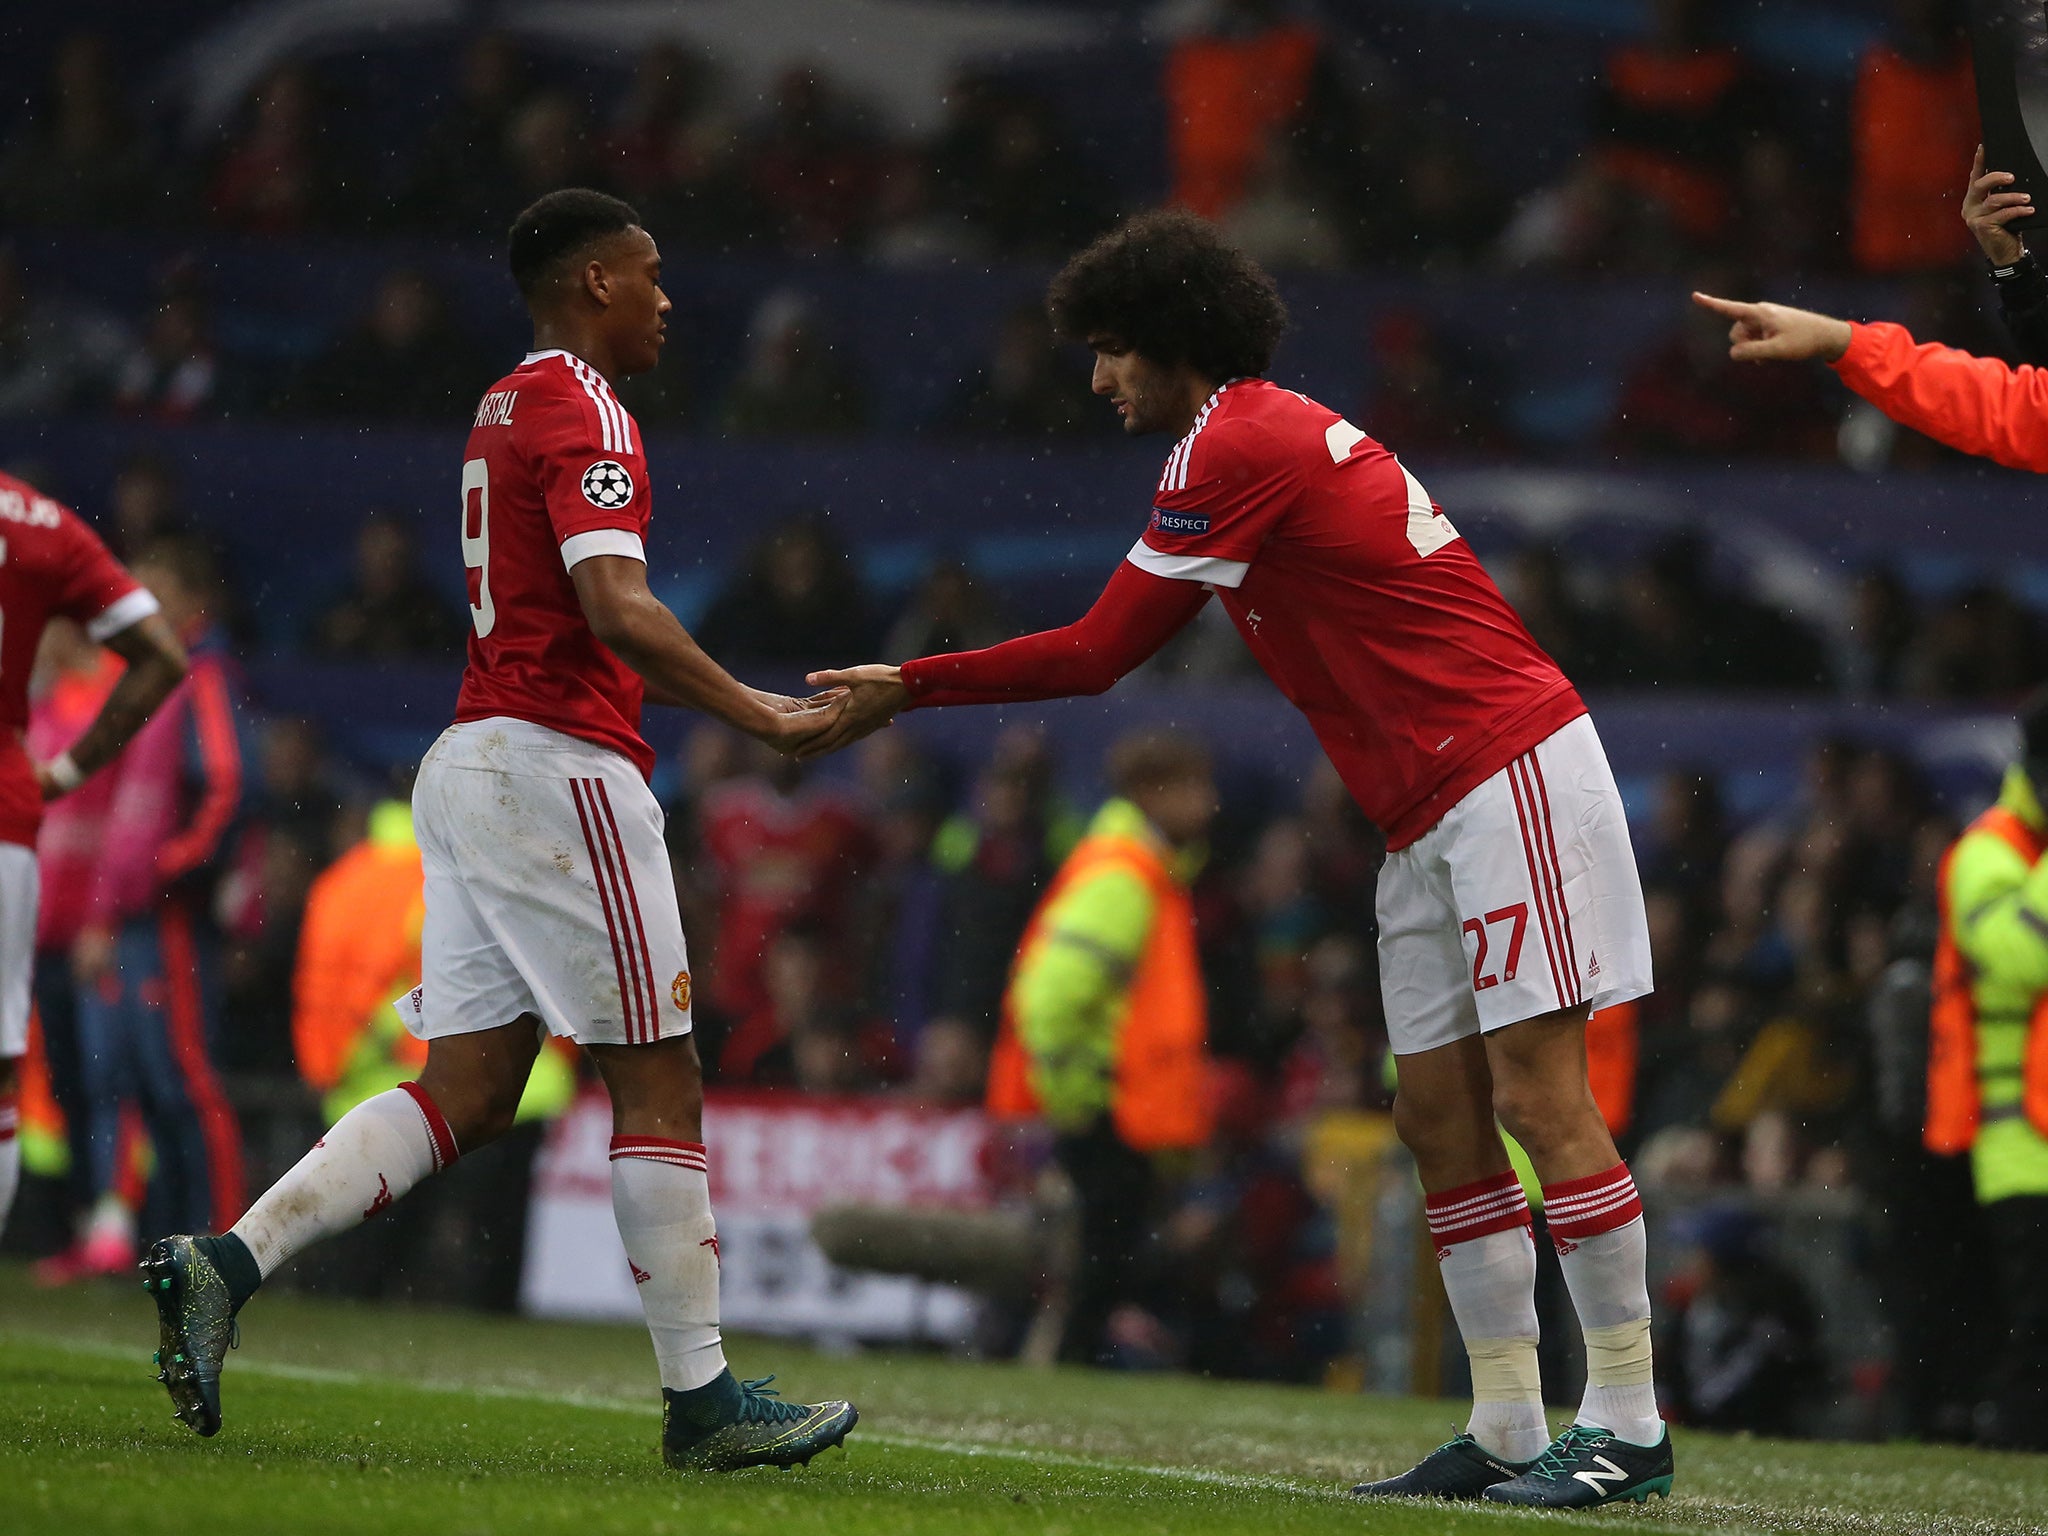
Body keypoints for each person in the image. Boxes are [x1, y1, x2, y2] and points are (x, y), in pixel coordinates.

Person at [805, 209, 1667, 1508]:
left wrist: (909, 685)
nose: (1098, 380)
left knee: (1539, 1097)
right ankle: (1503, 1423)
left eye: (1110, 351)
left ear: (1171, 342)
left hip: (1506, 771)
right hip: (1426, 811)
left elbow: (1100, 653)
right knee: (1435, 1115)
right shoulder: (1254, 432)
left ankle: (1628, 1422)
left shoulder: (1239, 441)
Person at [140, 188, 857, 1473]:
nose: (665, 298)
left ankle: (227, 1261)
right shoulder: (585, 407)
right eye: (647, 274)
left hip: (473, 760)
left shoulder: (500, 402)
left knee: (467, 1089)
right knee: (659, 1072)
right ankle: (702, 1404)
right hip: (559, 766)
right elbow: (616, 604)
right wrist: (758, 714)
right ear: (592, 285)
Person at [986, 729, 1218, 1365]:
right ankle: (1059, 1382)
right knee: (1096, 1272)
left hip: (1117, 1110)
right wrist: (1081, 1099)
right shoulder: (1125, 877)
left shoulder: (1135, 869)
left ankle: (1060, 1380)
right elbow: (1050, 1000)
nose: (1210, 803)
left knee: (1099, 1269)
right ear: (1153, 793)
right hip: (1109, 1110)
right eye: (1196, 787)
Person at [0, 471, 187, 1252]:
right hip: (22, 865)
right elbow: (158, 656)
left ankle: (121, 1222)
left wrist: (108, 911)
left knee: (117, 1080)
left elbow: (148, 818)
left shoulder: (176, 693)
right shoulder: (39, 521)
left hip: (96, 922)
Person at [53, 537, 251, 1272]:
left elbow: (230, 788)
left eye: (155, 594)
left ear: (194, 604)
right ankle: (177, 1243)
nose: (139, 608)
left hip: (167, 916)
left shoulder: (201, 677)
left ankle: (229, 1242)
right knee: (147, 1082)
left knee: (186, 1080)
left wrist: (166, 872)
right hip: (133, 912)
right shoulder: (151, 679)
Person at [1923, 693, 2048, 1449]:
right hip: (2018, 1136)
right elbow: (2025, 955)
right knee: (2036, 1317)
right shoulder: (1986, 852)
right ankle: (2017, 1445)